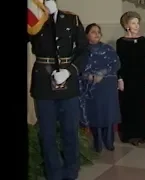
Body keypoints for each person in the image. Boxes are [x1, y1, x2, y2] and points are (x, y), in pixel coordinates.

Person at [28, 0, 87, 180]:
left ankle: (71, 172)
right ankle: (54, 175)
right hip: (43, 83)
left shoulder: (72, 19)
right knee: (47, 134)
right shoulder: (33, 20)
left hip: (68, 83)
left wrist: (70, 71)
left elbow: (84, 50)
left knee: (70, 130)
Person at [79, 23, 121, 153]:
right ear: (86, 35)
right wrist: (88, 76)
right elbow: (78, 68)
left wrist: (102, 73)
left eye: (98, 32)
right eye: (93, 32)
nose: (97, 34)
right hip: (91, 88)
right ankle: (97, 141)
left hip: (107, 86)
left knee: (108, 113)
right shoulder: (82, 51)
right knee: (95, 113)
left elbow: (116, 64)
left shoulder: (108, 48)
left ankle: (109, 140)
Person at [116, 11, 145, 146]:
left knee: (142, 105)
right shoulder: (121, 42)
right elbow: (120, 62)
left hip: (141, 77)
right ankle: (129, 135)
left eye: (138, 23)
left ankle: (142, 134)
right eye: (133, 23)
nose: (136, 26)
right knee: (128, 106)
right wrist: (120, 79)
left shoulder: (143, 40)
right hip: (127, 78)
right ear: (126, 25)